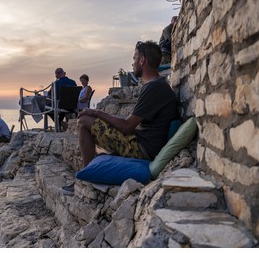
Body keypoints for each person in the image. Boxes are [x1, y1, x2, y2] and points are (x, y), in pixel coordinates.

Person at [62, 40, 178, 195]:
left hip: (141, 149)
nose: (132, 63)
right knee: (95, 125)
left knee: (83, 121)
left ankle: (85, 177)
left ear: (142, 60)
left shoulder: (154, 87)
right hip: (140, 140)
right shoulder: (157, 85)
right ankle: (91, 169)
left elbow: (127, 126)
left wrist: (97, 112)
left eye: (134, 58)